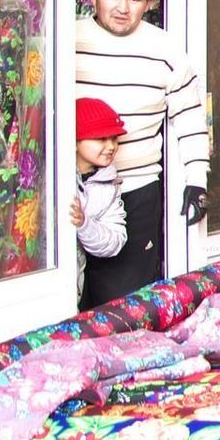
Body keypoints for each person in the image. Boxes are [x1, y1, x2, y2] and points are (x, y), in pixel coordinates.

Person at [75, 0, 209, 306]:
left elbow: (189, 114)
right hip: (73, 190)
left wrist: (197, 180)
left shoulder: (165, 49)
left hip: (135, 192)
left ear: (148, 2)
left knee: (124, 306)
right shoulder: (68, 41)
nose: (122, 8)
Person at [71, 98, 128, 303]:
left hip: (74, 286)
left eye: (114, 139)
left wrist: (84, 224)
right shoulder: (54, 179)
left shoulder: (108, 185)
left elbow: (114, 241)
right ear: (76, 141)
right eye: (101, 139)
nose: (111, 146)